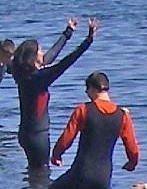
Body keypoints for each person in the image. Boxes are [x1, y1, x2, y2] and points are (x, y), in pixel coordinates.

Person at [9, 16, 98, 168]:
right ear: (33, 57)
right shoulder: (37, 79)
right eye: (40, 50)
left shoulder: (24, 74)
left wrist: (68, 33)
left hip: (26, 134)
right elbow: (65, 63)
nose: (42, 52)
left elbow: (51, 55)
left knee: (34, 174)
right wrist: (88, 41)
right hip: (37, 137)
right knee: (41, 175)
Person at [49, 71, 139, 189]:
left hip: (81, 173)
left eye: (87, 89)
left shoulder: (83, 110)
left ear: (92, 88)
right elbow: (132, 147)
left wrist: (56, 155)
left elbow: (67, 138)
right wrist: (132, 163)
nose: (86, 93)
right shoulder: (123, 115)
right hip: (103, 178)